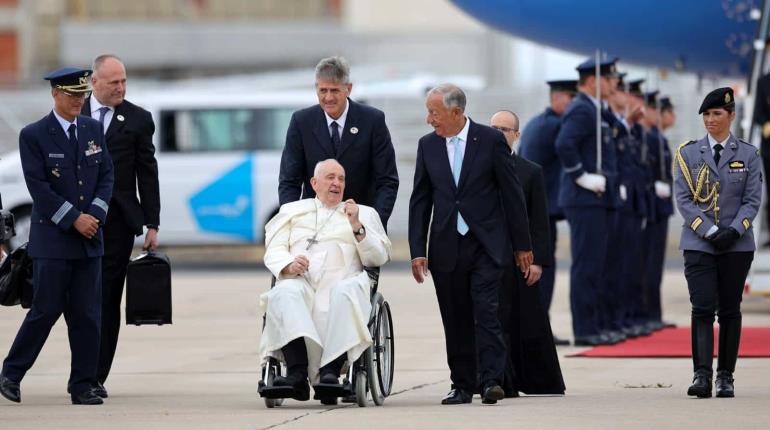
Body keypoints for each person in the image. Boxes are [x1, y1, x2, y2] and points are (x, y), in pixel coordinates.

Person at [409, 84, 532, 405]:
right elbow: (420, 201)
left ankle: (491, 380)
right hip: (446, 246)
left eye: (434, 113)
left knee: (486, 311)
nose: (428, 119)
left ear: (456, 112)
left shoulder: (490, 140)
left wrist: (522, 244)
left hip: (487, 245)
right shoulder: (428, 146)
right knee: (455, 316)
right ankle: (462, 384)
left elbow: (512, 193)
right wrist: (417, 250)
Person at [0, 68, 114, 405]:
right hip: (54, 239)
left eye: (82, 95)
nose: (79, 101)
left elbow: (106, 174)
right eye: (72, 95)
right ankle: (11, 373)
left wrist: (94, 214)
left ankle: (83, 384)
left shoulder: (93, 129)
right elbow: (39, 187)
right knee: (45, 309)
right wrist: (74, 219)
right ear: (55, 95)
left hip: (90, 236)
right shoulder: (34, 134)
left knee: (87, 314)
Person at [259, 159, 391, 405]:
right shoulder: (291, 211)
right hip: (302, 279)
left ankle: (331, 371)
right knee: (282, 293)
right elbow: (273, 250)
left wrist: (356, 227)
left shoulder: (363, 213)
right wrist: (288, 264)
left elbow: (377, 257)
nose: (336, 183)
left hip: (345, 279)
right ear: (314, 183)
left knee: (344, 293)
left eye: (341, 178)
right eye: (330, 177)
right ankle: (297, 374)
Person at [674, 87, 761, 398]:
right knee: (701, 308)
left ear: (731, 115)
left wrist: (734, 231)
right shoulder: (688, 153)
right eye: (707, 115)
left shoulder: (749, 154)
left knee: (729, 310)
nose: (710, 120)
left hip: (736, 246)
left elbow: (752, 201)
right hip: (699, 243)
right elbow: (683, 200)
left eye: (717, 114)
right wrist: (710, 231)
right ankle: (701, 375)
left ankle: (726, 376)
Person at [81, 54, 160, 397]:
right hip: (76, 221)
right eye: (113, 82)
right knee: (76, 299)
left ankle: (95, 376)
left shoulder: (138, 119)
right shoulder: (73, 113)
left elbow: (148, 171)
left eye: (124, 81)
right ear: (93, 82)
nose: (121, 88)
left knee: (107, 298)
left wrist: (152, 222)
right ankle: (81, 367)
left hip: (117, 223)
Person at [490, 110, 565, 397]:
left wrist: (538, 261)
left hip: (521, 261)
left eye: (505, 129)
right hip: (488, 258)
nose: (499, 133)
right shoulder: (476, 169)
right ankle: (497, 379)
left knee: (525, 320)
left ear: (516, 135)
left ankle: (533, 380)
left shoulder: (530, 171)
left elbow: (539, 221)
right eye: (494, 128)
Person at [279, 56, 399, 227]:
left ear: (348, 89)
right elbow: (289, 181)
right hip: (314, 228)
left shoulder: (373, 121)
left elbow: (387, 181)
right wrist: (294, 223)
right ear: (316, 89)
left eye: (334, 90)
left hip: (361, 226)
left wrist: (372, 223)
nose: (328, 98)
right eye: (323, 90)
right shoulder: (301, 122)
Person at [554, 57, 620, 346]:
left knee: (598, 264)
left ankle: (594, 325)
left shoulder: (595, 109)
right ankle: (585, 329)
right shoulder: (582, 109)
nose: (614, 84)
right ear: (593, 81)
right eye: (609, 78)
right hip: (584, 198)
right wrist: (582, 176)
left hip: (597, 198)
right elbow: (564, 144)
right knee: (587, 265)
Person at [519, 79, 577, 346]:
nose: (574, 104)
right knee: (542, 269)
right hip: (541, 209)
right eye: (570, 98)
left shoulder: (538, 122)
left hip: (535, 207)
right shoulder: (555, 125)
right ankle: (539, 329)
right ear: (557, 99)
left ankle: (539, 327)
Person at [642, 93, 675, 332]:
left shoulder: (659, 138)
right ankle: (649, 314)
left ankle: (654, 314)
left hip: (660, 207)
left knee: (655, 264)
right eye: (667, 112)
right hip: (651, 207)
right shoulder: (651, 137)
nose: (672, 117)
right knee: (649, 264)